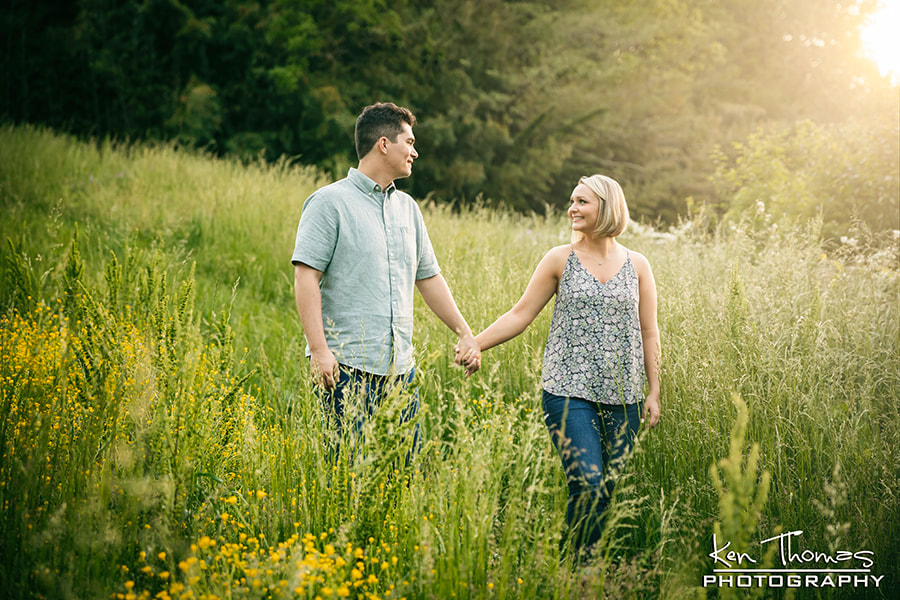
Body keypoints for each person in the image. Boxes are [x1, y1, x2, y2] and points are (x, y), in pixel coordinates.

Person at [457, 174, 660, 554]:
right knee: (587, 481)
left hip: (625, 393)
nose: (572, 208)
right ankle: (582, 573)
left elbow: (649, 331)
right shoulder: (559, 259)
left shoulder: (639, 265)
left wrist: (654, 391)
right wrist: (476, 344)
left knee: (604, 491)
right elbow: (520, 314)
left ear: (607, 206)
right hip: (568, 389)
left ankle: (574, 562)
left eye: (582, 201)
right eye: (572, 201)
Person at [292, 101, 480, 456]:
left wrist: (464, 332)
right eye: (408, 142)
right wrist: (319, 351)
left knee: (404, 472)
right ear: (383, 144)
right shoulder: (328, 203)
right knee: (346, 473)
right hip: (345, 368)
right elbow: (305, 277)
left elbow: (430, 279)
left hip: (400, 370)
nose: (415, 152)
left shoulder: (408, 209)